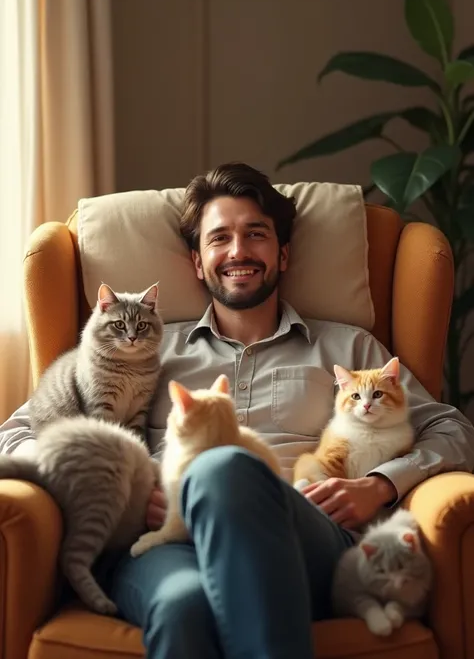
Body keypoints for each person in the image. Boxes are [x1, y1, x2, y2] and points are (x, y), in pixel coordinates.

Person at [2, 161, 474, 659]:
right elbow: (20, 431)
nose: (238, 251)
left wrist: (379, 484)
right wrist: (117, 490)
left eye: (256, 234)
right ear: (197, 262)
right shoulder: (142, 347)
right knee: (183, 608)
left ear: (284, 253)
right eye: (219, 238)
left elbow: (452, 428)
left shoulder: (350, 349)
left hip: (306, 535)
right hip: (162, 541)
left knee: (226, 467)